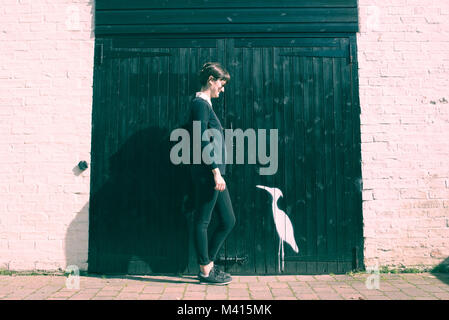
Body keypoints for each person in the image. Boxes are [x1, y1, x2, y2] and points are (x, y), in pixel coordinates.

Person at [189, 62, 235, 285]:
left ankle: (209, 265)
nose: (222, 89)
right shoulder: (200, 104)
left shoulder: (205, 104)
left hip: (215, 173)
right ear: (211, 80)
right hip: (209, 172)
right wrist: (215, 172)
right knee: (203, 221)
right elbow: (200, 138)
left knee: (228, 220)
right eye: (221, 84)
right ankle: (205, 270)